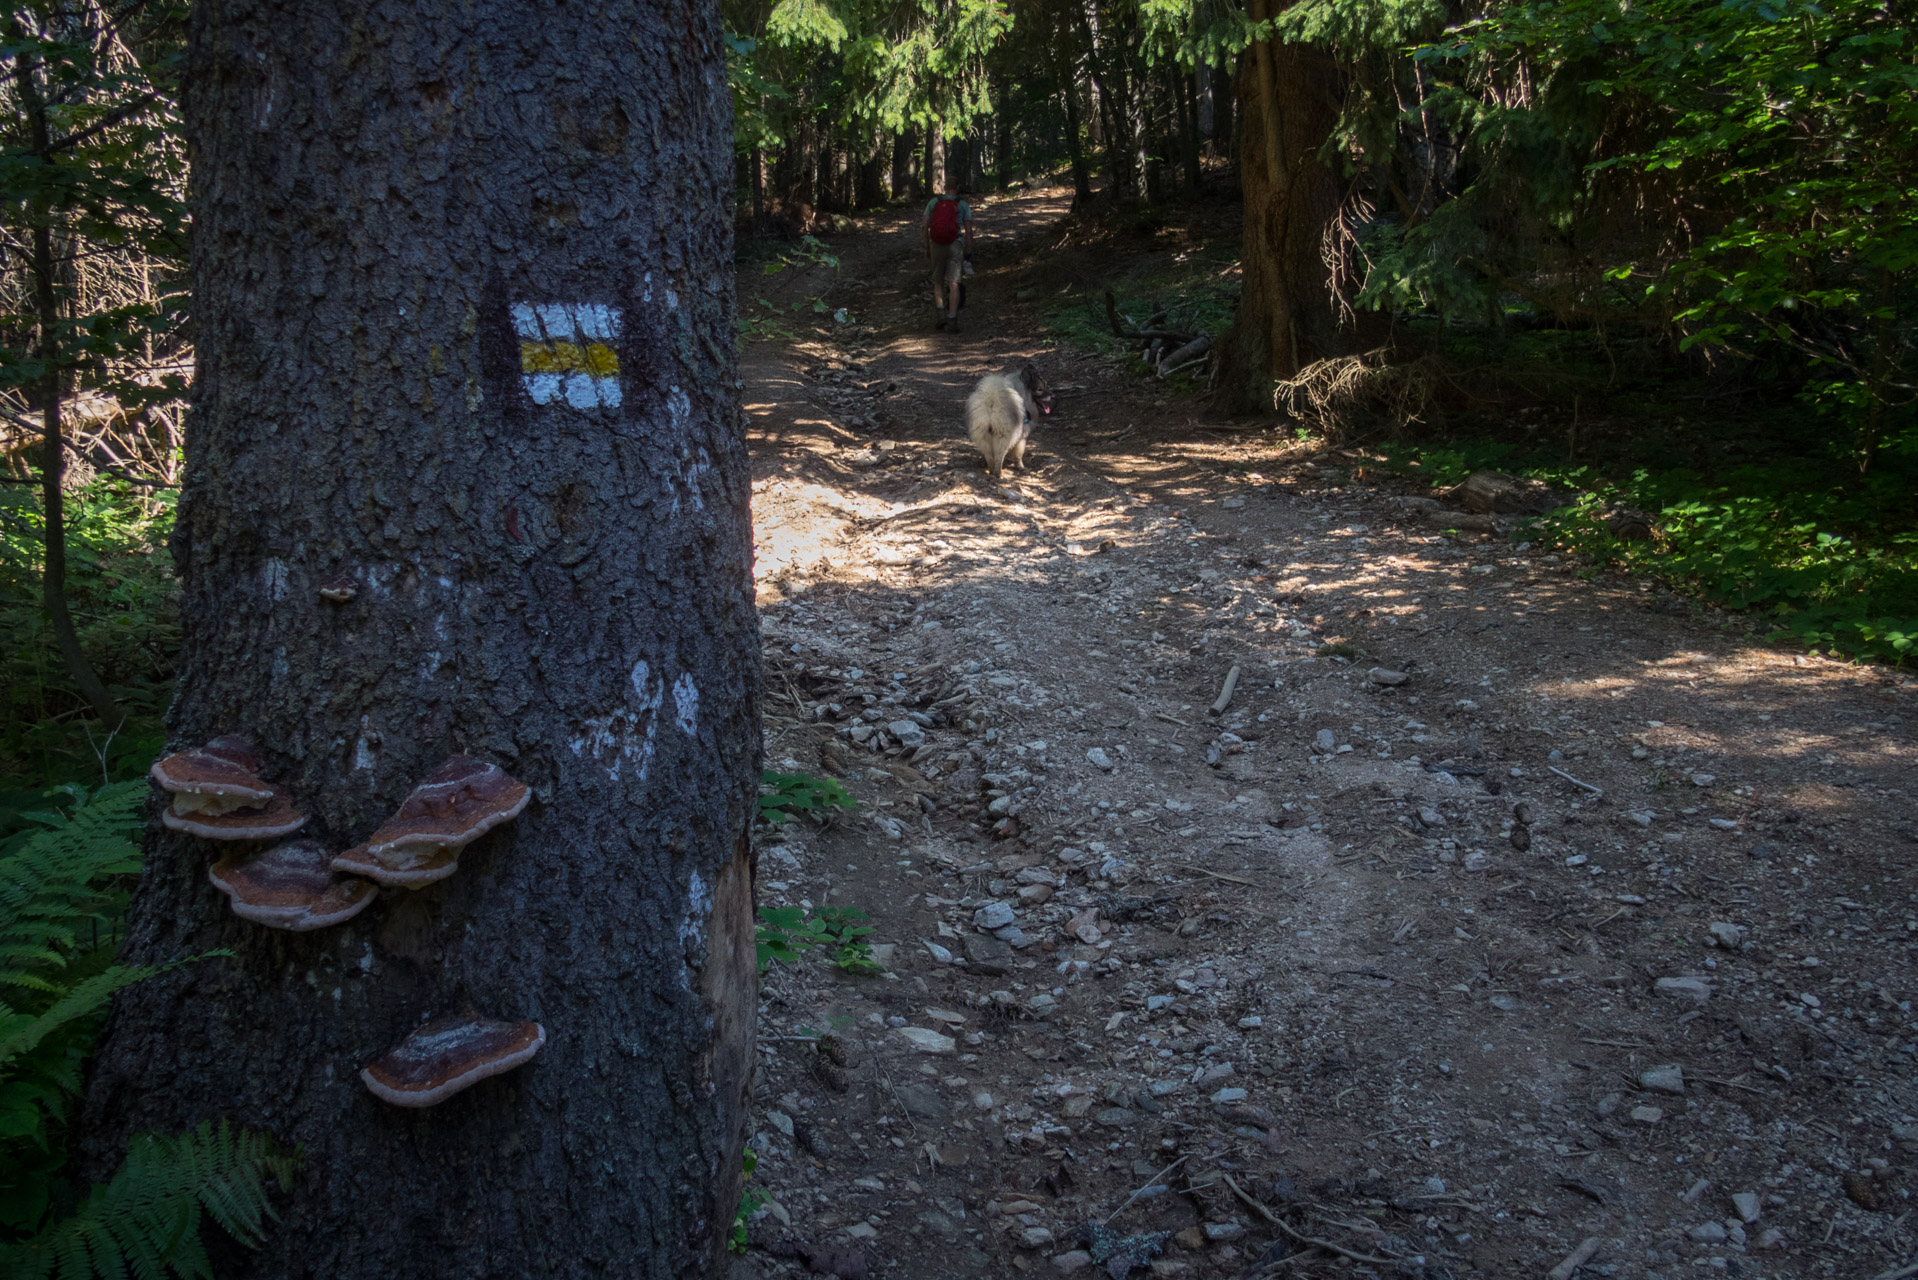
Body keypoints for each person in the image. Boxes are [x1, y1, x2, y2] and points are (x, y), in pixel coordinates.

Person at [923, 188, 972, 332]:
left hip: (936, 244)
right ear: (957, 188)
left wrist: (927, 246)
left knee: (938, 282)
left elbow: (924, 225)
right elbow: (969, 230)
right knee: (954, 283)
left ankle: (940, 316)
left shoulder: (934, 202)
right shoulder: (962, 204)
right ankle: (952, 320)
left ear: (945, 188)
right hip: (955, 244)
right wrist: (969, 250)